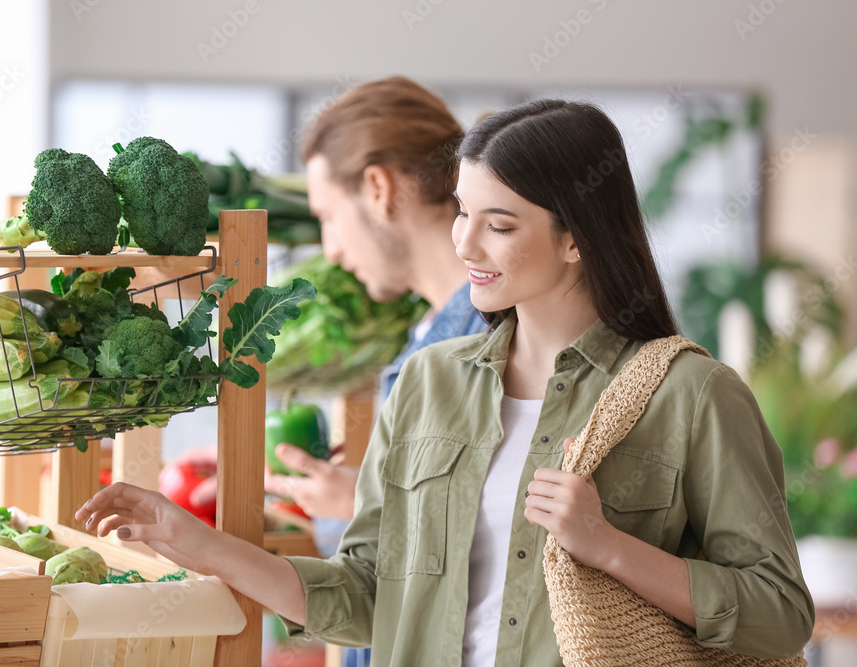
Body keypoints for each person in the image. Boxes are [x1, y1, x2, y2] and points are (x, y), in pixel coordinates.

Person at [78, 99, 814, 666]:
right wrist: (194, 541)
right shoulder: (431, 381)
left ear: (574, 237)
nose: (463, 241)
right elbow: (369, 594)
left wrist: (611, 547)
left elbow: (780, 610)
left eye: (498, 223)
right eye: (462, 212)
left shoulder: (692, 394)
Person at [182, 76, 488, 527]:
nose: (331, 251)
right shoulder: (433, 330)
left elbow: (498, 532)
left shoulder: (487, 337)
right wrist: (347, 491)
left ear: (379, 189)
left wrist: (367, 503)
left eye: (328, 217)